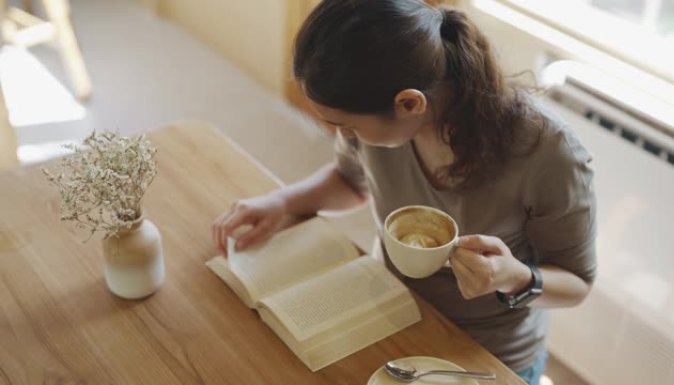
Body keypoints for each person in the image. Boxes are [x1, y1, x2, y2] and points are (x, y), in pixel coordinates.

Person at [212, 1, 597, 384]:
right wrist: (281, 201)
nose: (344, 136)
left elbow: (576, 284)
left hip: (484, 355)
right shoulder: (379, 113)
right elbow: (351, 182)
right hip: (392, 308)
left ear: (409, 103)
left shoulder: (548, 153)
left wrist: (511, 277)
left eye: (349, 127)